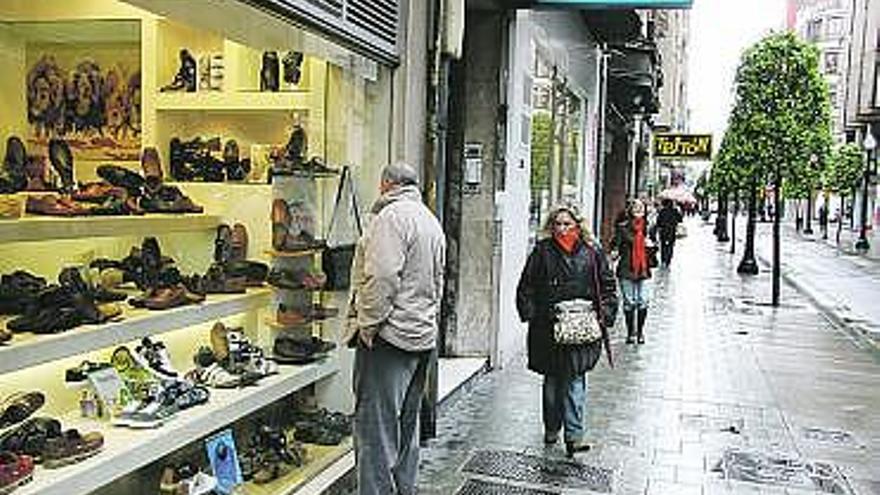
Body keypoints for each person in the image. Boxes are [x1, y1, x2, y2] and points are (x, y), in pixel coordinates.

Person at [346, 162, 446, 495]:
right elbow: (439, 282)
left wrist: (368, 326)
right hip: (421, 336)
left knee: (375, 431)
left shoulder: (391, 218)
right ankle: (404, 488)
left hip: (390, 338)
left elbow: (383, 277)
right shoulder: (429, 220)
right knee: (407, 425)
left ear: (386, 184)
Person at [516, 202, 618, 458]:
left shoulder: (592, 252)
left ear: (577, 225)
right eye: (557, 224)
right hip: (549, 327)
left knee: (575, 381)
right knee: (552, 383)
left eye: (567, 224)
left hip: (581, 327)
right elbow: (527, 285)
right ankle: (552, 427)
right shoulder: (542, 252)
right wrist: (531, 312)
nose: (562, 229)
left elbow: (607, 286)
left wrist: (604, 314)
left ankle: (574, 435)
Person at [613, 199, 654, 344]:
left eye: (641, 208)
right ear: (630, 210)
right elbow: (615, 245)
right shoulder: (622, 227)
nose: (638, 210)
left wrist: (651, 246)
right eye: (635, 207)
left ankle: (640, 332)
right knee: (629, 302)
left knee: (643, 301)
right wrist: (614, 252)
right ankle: (631, 333)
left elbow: (654, 252)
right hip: (626, 268)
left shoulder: (648, 228)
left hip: (644, 269)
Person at [656, 198, 683, 266]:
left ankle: (663, 259)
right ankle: (668, 259)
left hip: (663, 231)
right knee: (670, 245)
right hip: (672, 230)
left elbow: (658, 222)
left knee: (663, 245)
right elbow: (680, 219)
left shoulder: (662, 211)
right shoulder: (675, 211)